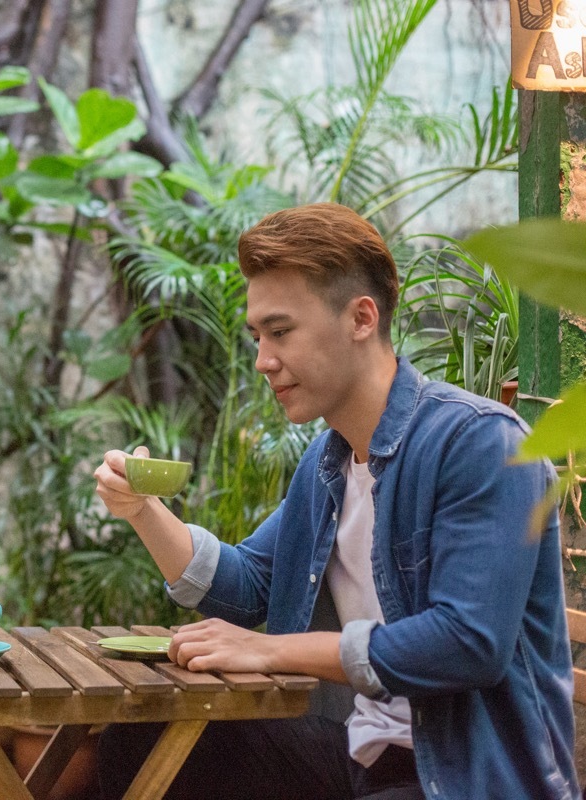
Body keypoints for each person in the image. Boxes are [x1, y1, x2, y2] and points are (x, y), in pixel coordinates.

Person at [92, 203, 580, 800]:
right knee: (136, 737)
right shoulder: (328, 462)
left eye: (281, 331)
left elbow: (467, 644)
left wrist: (273, 652)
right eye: (257, 337)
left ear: (361, 318)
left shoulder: (480, 443)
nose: (263, 360)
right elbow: (246, 587)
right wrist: (143, 509)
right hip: (356, 761)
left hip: (459, 779)